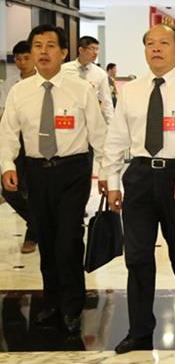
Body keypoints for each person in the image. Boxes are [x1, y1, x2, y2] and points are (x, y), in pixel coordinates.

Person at [103, 24, 175, 354]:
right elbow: (116, 138)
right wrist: (112, 182)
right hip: (139, 177)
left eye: (164, 43)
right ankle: (140, 328)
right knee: (137, 255)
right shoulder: (131, 91)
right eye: (150, 43)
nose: (156, 48)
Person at [0, 24, 108, 334]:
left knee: (68, 238)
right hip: (36, 171)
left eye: (50, 45)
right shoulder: (20, 91)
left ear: (63, 53)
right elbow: (8, 132)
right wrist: (7, 164)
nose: (43, 51)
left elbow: (99, 134)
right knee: (46, 238)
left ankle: (72, 305)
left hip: (73, 170)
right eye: (37, 46)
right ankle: (51, 301)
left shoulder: (81, 89)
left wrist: (106, 173)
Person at [0, 40, 38, 254]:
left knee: (34, 188)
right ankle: (38, 224)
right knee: (10, 189)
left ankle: (33, 233)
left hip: (38, 140)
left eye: (26, 58)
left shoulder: (43, 81)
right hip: (15, 140)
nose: (22, 62)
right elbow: (3, 113)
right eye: (18, 59)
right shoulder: (10, 84)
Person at [61, 36, 114, 124]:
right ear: (81, 50)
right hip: (68, 117)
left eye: (97, 49)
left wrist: (111, 124)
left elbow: (106, 101)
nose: (95, 53)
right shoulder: (64, 70)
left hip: (91, 118)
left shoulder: (100, 74)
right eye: (92, 49)